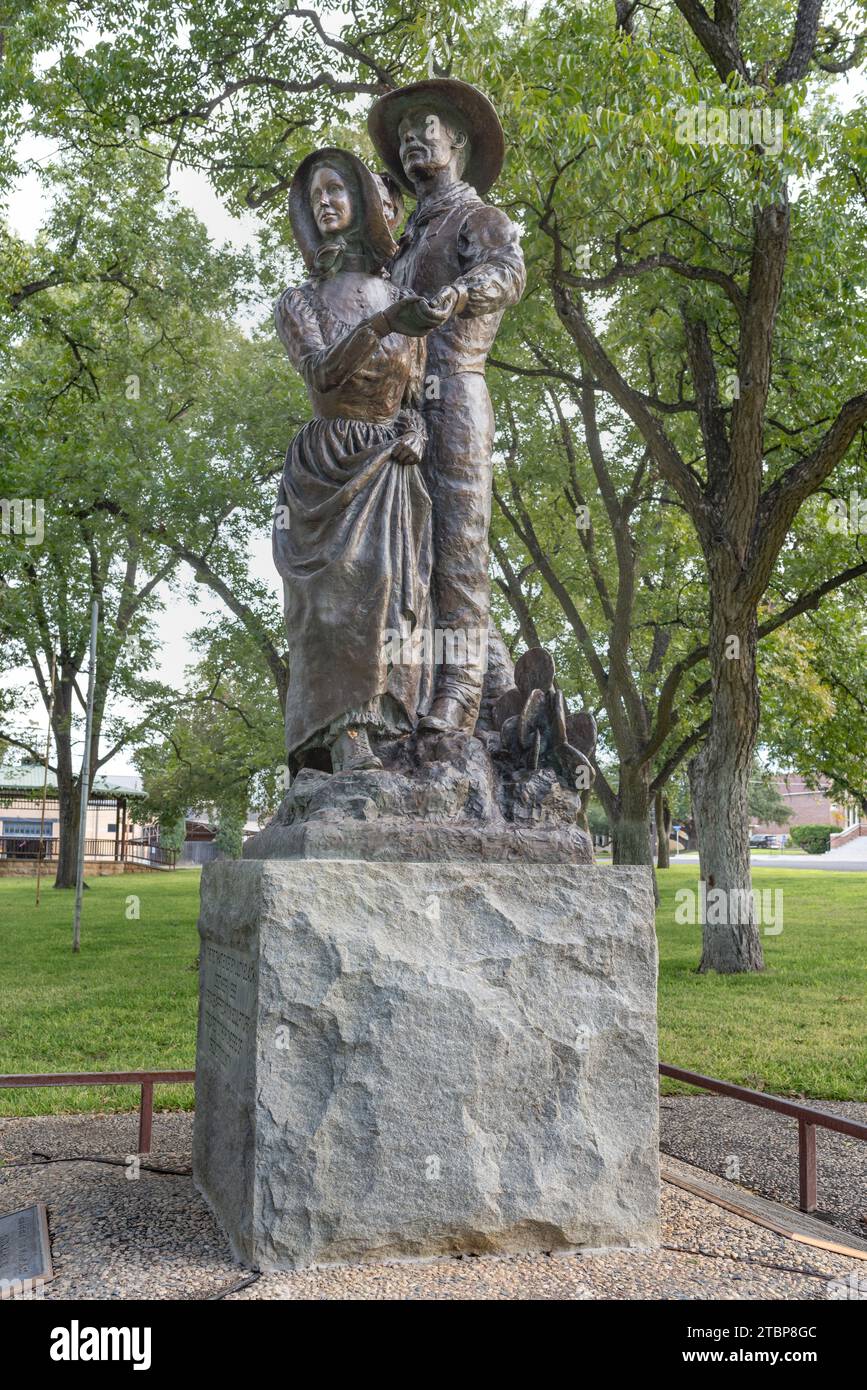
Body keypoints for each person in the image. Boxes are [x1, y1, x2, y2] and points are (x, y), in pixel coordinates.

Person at [273, 147, 444, 775]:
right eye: (315, 193)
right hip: (327, 468)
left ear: (365, 202)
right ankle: (340, 741)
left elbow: (414, 399)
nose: (325, 201)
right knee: (331, 608)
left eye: (337, 189)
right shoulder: (299, 301)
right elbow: (322, 372)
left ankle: (383, 734)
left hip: (390, 468)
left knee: (391, 600)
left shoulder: (403, 300)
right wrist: (381, 324)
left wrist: (416, 433)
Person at [368, 79, 526, 735]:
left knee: (458, 547)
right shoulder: (404, 242)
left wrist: (458, 295)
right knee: (410, 553)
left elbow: (507, 271)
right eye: (403, 134)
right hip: (401, 411)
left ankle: (459, 693)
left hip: (456, 395)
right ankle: (450, 687)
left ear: (457, 140)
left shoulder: (476, 218)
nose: (412, 140)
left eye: (424, 128)